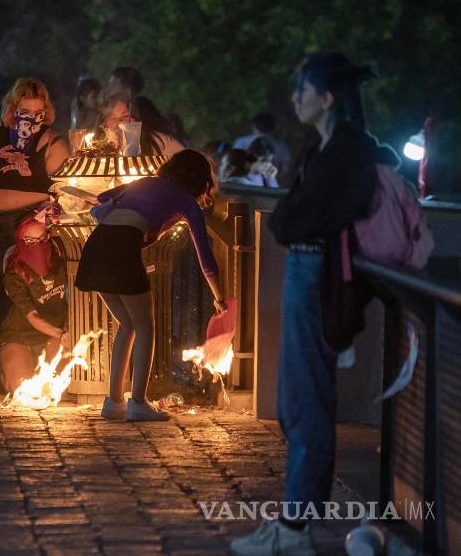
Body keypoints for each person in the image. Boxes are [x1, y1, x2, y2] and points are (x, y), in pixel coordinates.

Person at [232, 53, 394, 555]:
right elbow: (287, 218)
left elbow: (302, 218)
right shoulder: (319, 147)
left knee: (306, 407)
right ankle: (292, 524)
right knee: (293, 404)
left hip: (323, 278)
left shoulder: (350, 152)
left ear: (326, 99)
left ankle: (295, 529)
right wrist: (295, 217)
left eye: (303, 91)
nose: (295, 99)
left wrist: (296, 218)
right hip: (305, 270)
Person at [75, 149, 226, 422]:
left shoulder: (144, 182)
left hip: (96, 245)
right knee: (145, 326)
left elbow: (104, 198)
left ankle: (113, 402)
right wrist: (220, 298)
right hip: (122, 245)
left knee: (128, 324)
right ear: (200, 180)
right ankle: (138, 402)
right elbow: (205, 256)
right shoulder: (184, 199)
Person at [0, 78, 69, 380]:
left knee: (24, 291)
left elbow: (63, 192)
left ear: (46, 111)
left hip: (26, 230)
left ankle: (30, 353)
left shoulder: (51, 143)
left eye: (36, 112)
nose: (29, 119)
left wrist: (42, 205)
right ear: (12, 108)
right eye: (23, 111)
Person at [0, 216, 70, 394]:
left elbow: (74, 300)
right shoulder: (14, 273)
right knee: (23, 390)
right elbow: (32, 316)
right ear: (20, 241)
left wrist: (67, 331)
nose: (37, 245)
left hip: (53, 338)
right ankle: (1, 367)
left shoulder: (61, 261)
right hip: (19, 337)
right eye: (30, 241)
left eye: (42, 239)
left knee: (52, 388)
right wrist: (61, 333)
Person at [232, 111, 292, 179]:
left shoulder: (241, 142)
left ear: (253, 126)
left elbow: (234, 165)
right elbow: (285, 171)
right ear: (273, 127)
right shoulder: (282, 147)